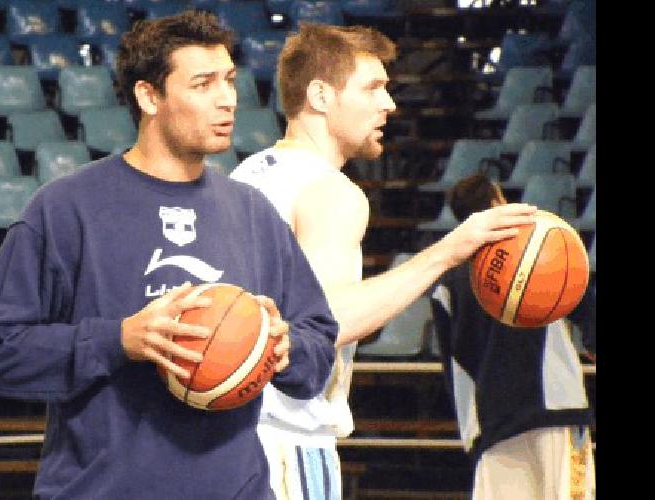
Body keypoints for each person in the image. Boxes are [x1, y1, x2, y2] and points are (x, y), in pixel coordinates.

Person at [0, 11, 339, 499]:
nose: (227, 99)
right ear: (149, 96)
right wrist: (118, 340)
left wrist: (285, 351)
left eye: (229, 80)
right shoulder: (66, 209)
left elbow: (318, 345)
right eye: (203, 84)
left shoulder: (253, 213)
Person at [229, 23, 538, 500]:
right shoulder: (331, 191)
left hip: (231, 436)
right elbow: (326, 321)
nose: (389, 104)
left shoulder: (246, 174)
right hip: (287, 442)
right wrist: (447, 252)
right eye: (373, 87)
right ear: (320, 95)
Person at [429, 173, 595, 500]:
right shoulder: (541, 245)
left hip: (493, 421)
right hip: (556, 406)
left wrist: (471, 431)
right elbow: (583, 301)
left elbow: (454, 368)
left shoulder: (447, 283)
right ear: (497, 201)